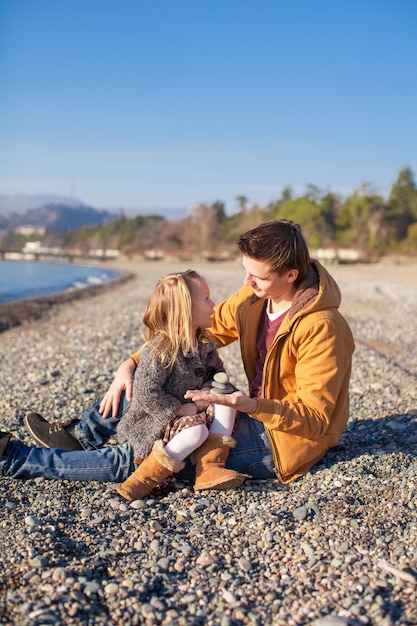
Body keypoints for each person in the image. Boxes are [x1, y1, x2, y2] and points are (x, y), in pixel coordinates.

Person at [18, 219, 355, 485]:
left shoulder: (322, 328)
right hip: (245, 410)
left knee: (151, 455)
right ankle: (81, 436)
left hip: (281, 440)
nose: (246, 281)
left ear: (291, 275)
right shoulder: (254, 298)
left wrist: (249, 404)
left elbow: (315, 418)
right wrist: (130, 364)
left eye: (257, 276)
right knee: (154, 378)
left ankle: (21, 460)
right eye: (245, 270)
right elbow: (189, 336)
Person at [0, 271, 249, 494]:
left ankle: (78, 438)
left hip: (180, 430)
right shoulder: (160, 351)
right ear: (185, 310)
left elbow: (215, 376)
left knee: (211, 417)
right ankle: (16, 457)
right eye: (206, 299)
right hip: (150, 438)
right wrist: (182, 408)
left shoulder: (203, 346)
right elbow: (145, 393)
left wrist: (207, 396)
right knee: (106, 463)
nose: (214, 304)